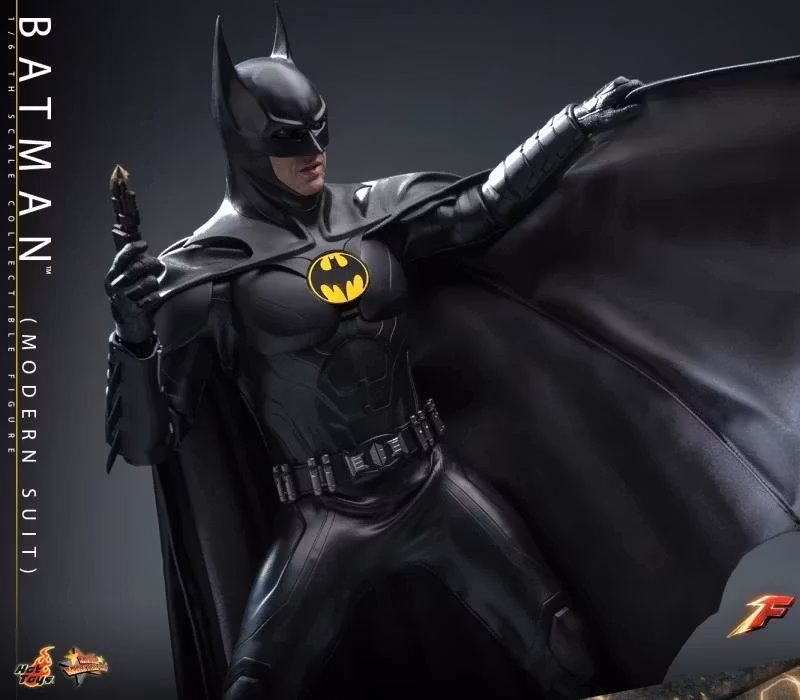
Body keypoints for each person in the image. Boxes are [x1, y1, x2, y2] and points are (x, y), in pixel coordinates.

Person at [104, 9, 641, 700]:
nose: (314, 151)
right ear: (243, 145)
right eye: (288, 139)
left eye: (319, 129)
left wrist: (570, 126)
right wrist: (134, 338)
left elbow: (483, 206)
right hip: (327, 519)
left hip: (431, 484)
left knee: (564, 644)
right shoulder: (207, 271)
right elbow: (150, 443)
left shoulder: (373, 211)